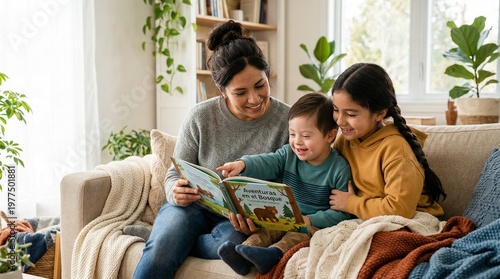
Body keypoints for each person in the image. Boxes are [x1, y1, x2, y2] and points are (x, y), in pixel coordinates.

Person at [132, 20, 291, 279]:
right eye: (240, 92)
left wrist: (260, 221)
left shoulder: (288, 121)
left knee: (227, 246)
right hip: (192, 206)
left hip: (240, 220)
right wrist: (175, 191)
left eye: (260, 85)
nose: (254, 99)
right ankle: (164, 239)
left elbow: (289, 187)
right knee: (161, 251)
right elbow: (174, 175)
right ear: (222, 90)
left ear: (267, 74)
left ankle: (165, 238)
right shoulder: (200, 117)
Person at [216, 92, 352, 275]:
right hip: (285, 216)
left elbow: (342, 213)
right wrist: (243, 164)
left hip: (313, 223)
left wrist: (309, 219)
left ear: (329, 136)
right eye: (293, 134)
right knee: (268, 228)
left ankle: (273, 254)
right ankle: (242, 253)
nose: (297, 142)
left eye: (306, 136)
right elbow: (268, 161)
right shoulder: (289, 154)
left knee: (298, 235)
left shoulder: (339, 168)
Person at [329, 62, 447, 220]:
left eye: (351, 114)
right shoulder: (344, 141)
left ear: (380, 113)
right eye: (336, 110)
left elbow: (400, 209)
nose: (340, 121)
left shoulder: (396, 148)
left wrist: (351, 203)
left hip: (411, 220)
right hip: (368, 219)